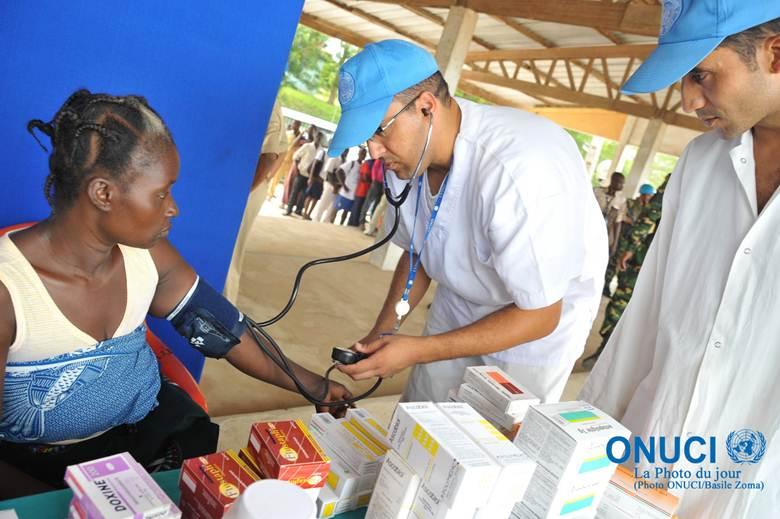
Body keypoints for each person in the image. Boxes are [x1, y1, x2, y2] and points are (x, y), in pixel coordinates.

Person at [0, 90, 351, 499]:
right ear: (103, 193)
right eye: (162, 193)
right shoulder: (9, 290)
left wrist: (316, 387)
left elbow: (227, 332)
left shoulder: (149, 256)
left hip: (147, 442)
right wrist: (74, 505)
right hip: (36, 473)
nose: (173, 209)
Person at [580, 4, 780, 516]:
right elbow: (645, 315)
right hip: (648, 459)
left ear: (775, 54)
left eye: (702, 74)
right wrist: (587, 438)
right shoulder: (700, 161)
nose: (689, 99)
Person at [329, 40, 607, 403]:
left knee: (492, 429)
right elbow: (418, 253)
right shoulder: (405, 161)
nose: (373, 150)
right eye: (366, 138)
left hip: (532, 326)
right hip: (461, 298)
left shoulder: (520, 170)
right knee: (422, 414)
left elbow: (542, 313)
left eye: (379, 130)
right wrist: (383, 335)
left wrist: (419, 350)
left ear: (426, 107)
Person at [582, 181, 660, 370]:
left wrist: (629, 250)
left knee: (625, 306)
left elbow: (647, 220)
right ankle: (606, 352)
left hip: (648, 261)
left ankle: (609, 354)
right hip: (650, 262)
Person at [224, 99, 288, 303]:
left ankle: (224, 310)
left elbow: (270, 156)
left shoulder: (267, 99)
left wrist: (243, 192)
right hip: (244, 185)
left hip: (246, 187)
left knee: (228, 254)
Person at [602, 183, 655, 296]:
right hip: (624, 238)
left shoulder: (649, 210)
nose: (650, 198)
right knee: (614, 262)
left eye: (651, 196)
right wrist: (632, 222)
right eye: (648, 195)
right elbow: (620, 217)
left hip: (635, 243)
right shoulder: (630, 203)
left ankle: (620, 286)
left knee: (626, 265)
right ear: (643, 194)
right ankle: (605, 284)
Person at [286, 131, 323, 216]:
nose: (318, 138)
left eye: (320, 137)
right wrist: (296, 168)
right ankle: (289, 209)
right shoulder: (307, 146)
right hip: (301, 173)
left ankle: (298, 210)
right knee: (295, 192)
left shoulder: (321, 150)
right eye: (317, 136)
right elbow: (296, 156)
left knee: (304, 194)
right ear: (314, 136)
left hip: (311, 176)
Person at [594, 172, 627, 264]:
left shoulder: (621, 199)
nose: (622, 186)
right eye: (620, 183)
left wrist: (614, 243)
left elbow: (618, 222)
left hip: (606, 234)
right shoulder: (597, 192)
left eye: (623, 183)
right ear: (613, 181)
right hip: (591, 229)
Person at [266, 119, 301, 201]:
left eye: (297, 124)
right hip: (283, 160)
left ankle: (284, 199)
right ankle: (270, 194)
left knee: (288, 181)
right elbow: (289, 145)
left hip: (292, 161)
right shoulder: (288, 134)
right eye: (294, 124)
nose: (295, 126)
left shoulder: (300, 136)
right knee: (276, 178)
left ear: (299, 126)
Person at [282, 125, 316, 207]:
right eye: (309, 129)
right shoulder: (303, 139)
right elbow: (293, 144)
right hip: (296, 164)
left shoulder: (313, 143)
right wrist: (301, 134)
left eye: (312, 130)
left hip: (305, 167)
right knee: (290, 183)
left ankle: (294, 204)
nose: (310, 132)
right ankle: (285, 202)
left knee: (300, 189)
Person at [332, 147, 366, 226]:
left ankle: (341, 226)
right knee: (336, 209)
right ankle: (330, 224)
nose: (363, 155)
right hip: (345, 192)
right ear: (358, 154)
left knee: (346, 211)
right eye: (362, 153)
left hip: (353, 194)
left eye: (364, 154)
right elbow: (338, 171)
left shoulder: (363, 166)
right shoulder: (352, 163)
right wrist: (344, 185)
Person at [312, 149, 347, 223]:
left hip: (337, 186)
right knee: (324, 202)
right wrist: (334, 186)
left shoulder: (345, 161)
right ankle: (316, 218)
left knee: (332, 205)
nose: (346, 151)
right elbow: (328, 173)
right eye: (345, 149)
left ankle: (326, 220)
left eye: (347, 150)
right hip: (330, 184)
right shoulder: (334, 158)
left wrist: (338, 186)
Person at [360, 158, 385, 230]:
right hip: (376, 182)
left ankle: (372, 224)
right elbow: (374, 168)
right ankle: (362, 222)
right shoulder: (381, 158)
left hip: (384, 185)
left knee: (377, 205)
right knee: (368, 202)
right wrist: (374, 180)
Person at [347, 158, 373, 227]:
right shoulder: (367, 164)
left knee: (359, 207)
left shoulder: (371, 164)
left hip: (366, 190)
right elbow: (365, 177)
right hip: (361, 190)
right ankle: (353, 224)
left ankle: (353, 223)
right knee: (357, 208)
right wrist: (374, 181)